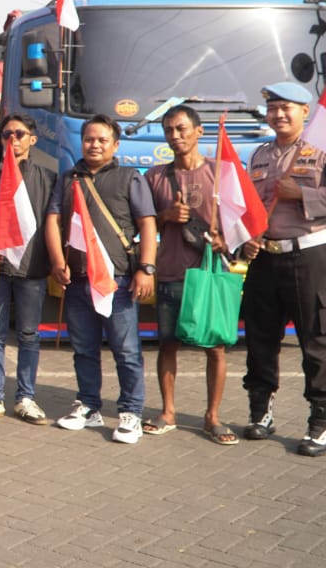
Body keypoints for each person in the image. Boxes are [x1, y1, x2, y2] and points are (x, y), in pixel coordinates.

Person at [240, 82, 326, 456]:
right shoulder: (258, 155)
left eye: (287, 108)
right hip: (266, 258)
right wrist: (248, 237)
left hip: (310, 256)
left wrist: (301, 194)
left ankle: (321, 419)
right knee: (259, 338)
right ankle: (260, 411)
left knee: (317, 340)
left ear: (306, 111)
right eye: (273, 109)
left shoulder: (323, 152)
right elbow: (249, 206)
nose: (279, 115)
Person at [46, 114, 157, 445]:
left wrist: (146, 268)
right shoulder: (69, 178)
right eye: (89, 139)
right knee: (83, 348)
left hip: (119, 280)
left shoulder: (129, 178)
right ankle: (89, 406)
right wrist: (57, 261)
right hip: (79, 279)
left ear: (115, 145)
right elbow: (53, 221)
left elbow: (148, 224)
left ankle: (131, 412)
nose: (94, 145)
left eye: (102, 140)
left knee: (125, 349)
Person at [141, 105, 236, 444]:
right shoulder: (154, 177)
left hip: (210, 274)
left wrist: (229, 241)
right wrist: (166, 215)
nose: (175, 136)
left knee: (216, 347)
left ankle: (212, 417)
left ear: (199, 132)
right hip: (169, 273)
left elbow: (240, 221)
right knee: (168, 344)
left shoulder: (223, 172)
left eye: (181, 129)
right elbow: (144, 226)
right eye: (169, 130)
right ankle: (168, 411)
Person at [0, 113, 56, 426]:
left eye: (19, 134)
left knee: (29, 335)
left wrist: (59, 263)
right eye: (7, 134)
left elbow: (53, 224)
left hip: (31, 268)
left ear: (32, 139)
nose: (13, 139)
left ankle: (25, 397)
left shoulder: (48, 178)